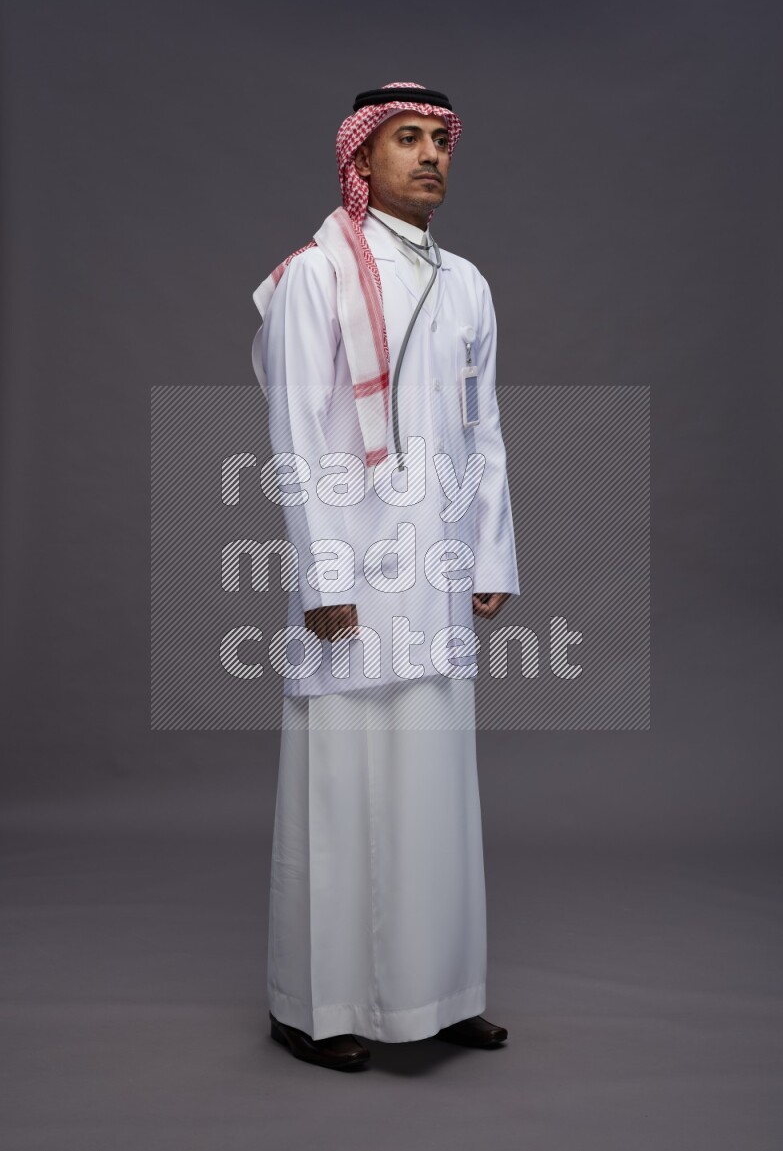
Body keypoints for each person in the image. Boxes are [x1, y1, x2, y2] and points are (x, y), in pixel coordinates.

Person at [251, 82, 520, 1071]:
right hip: (351, 580)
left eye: (440, 140)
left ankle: (439, 994)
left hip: (437, 571)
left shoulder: (467, 285)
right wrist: (323, 575)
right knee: (345, 787)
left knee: (435, 785)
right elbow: (291, 438)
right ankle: (311, 1007)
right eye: (405, 139)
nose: (429, 156)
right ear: (359, 160)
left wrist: (489, 553)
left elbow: (480, 432)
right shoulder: (313, 277)